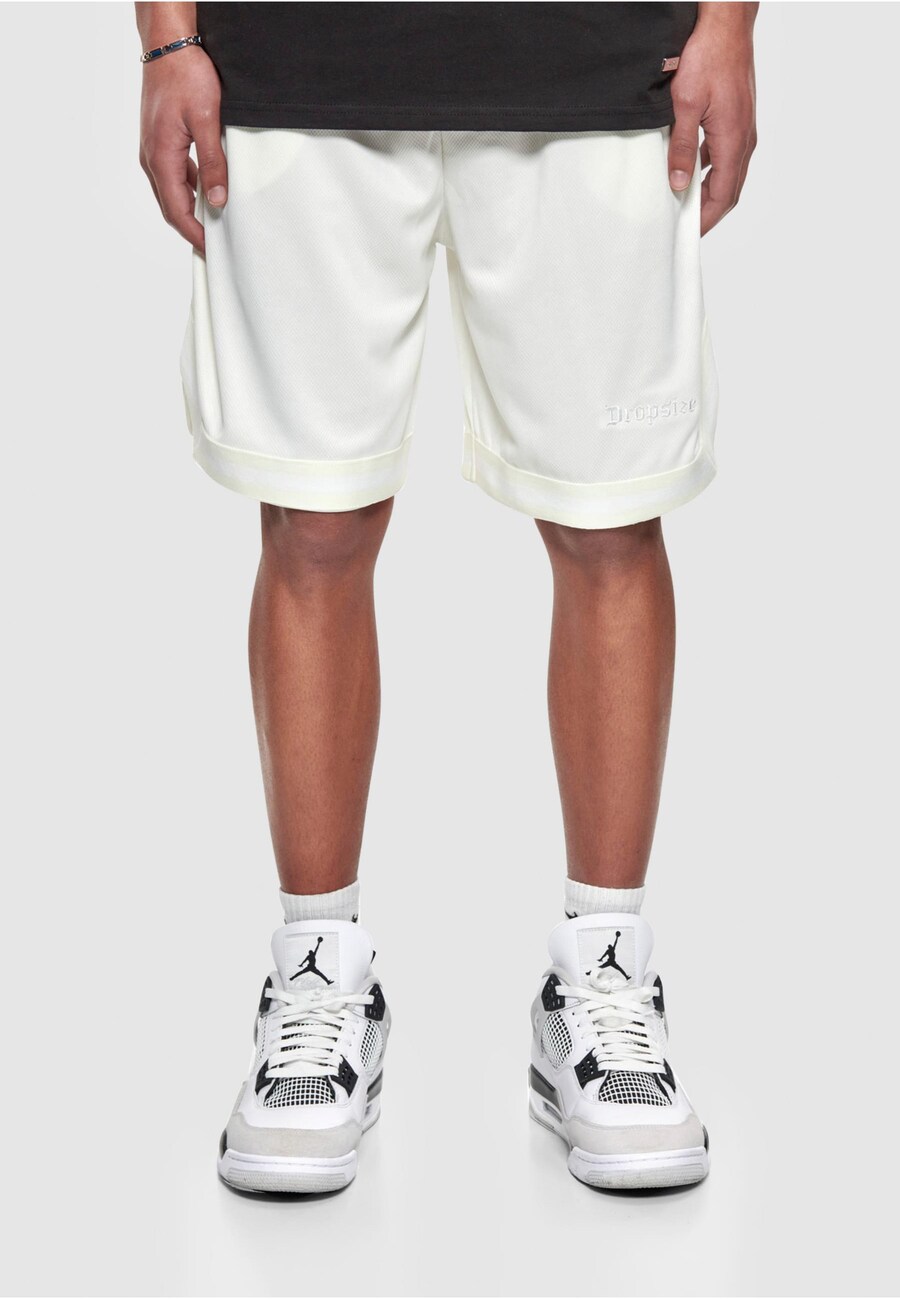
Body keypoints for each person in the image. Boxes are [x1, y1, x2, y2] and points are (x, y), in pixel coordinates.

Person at [137, 0, 757, 1194]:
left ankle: (603, 969)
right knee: (315, 519)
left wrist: (730, 23)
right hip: (297, 59)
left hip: (600, 59)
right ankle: (318, 973)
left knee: (609, 515)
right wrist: (168, 39)